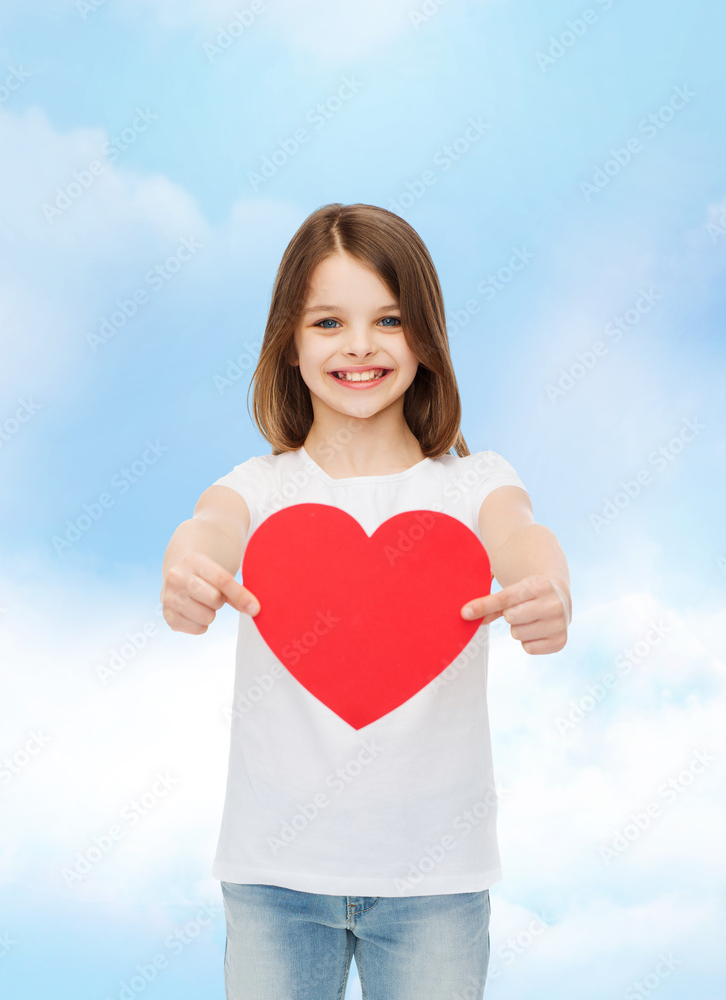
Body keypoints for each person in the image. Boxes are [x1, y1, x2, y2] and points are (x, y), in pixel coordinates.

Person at [160, 203, 571, 1000]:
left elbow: (522, 535)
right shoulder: (261, 488)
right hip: (273, 880)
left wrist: (545, 587)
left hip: (437, 886)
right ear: (288, 339)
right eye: (327, 322)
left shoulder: (471, 483)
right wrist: (187, 572)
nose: (358, 346)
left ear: (426, 334)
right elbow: (205, 528)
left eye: (388, 319)